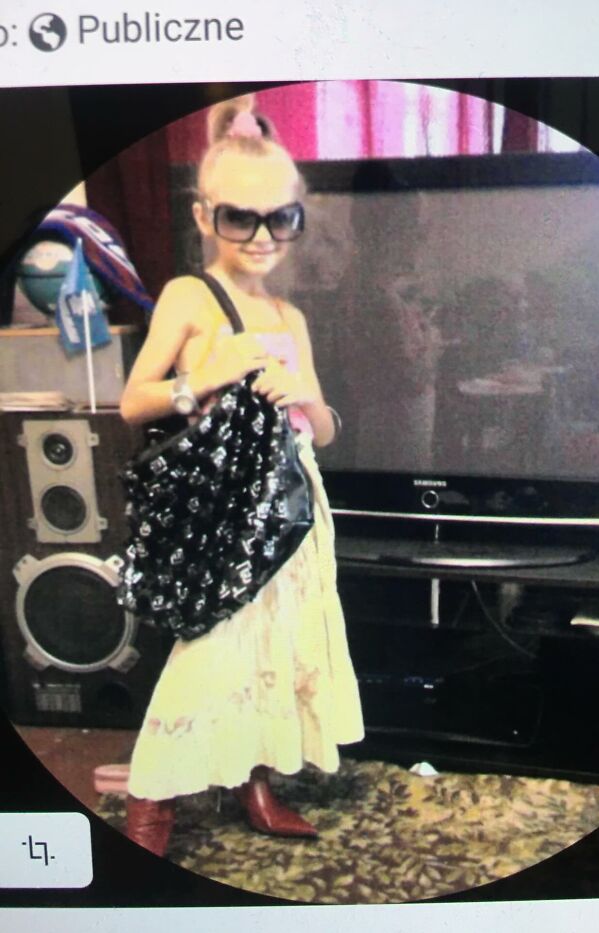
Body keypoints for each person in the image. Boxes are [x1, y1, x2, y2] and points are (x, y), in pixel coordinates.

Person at [118, 96, 365, 856]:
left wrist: (309, 401)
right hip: (228, 510)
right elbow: (133, 402)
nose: (260, 238)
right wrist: (203, 380)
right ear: (204, 218)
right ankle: (150, 800)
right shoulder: (191, 297)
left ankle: (253, 781)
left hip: (294, 506)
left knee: (281, 644)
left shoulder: (290, 317)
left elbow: (324, 428)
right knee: (212, 649)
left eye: (279, 220)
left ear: (296, 220)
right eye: (238, 219)